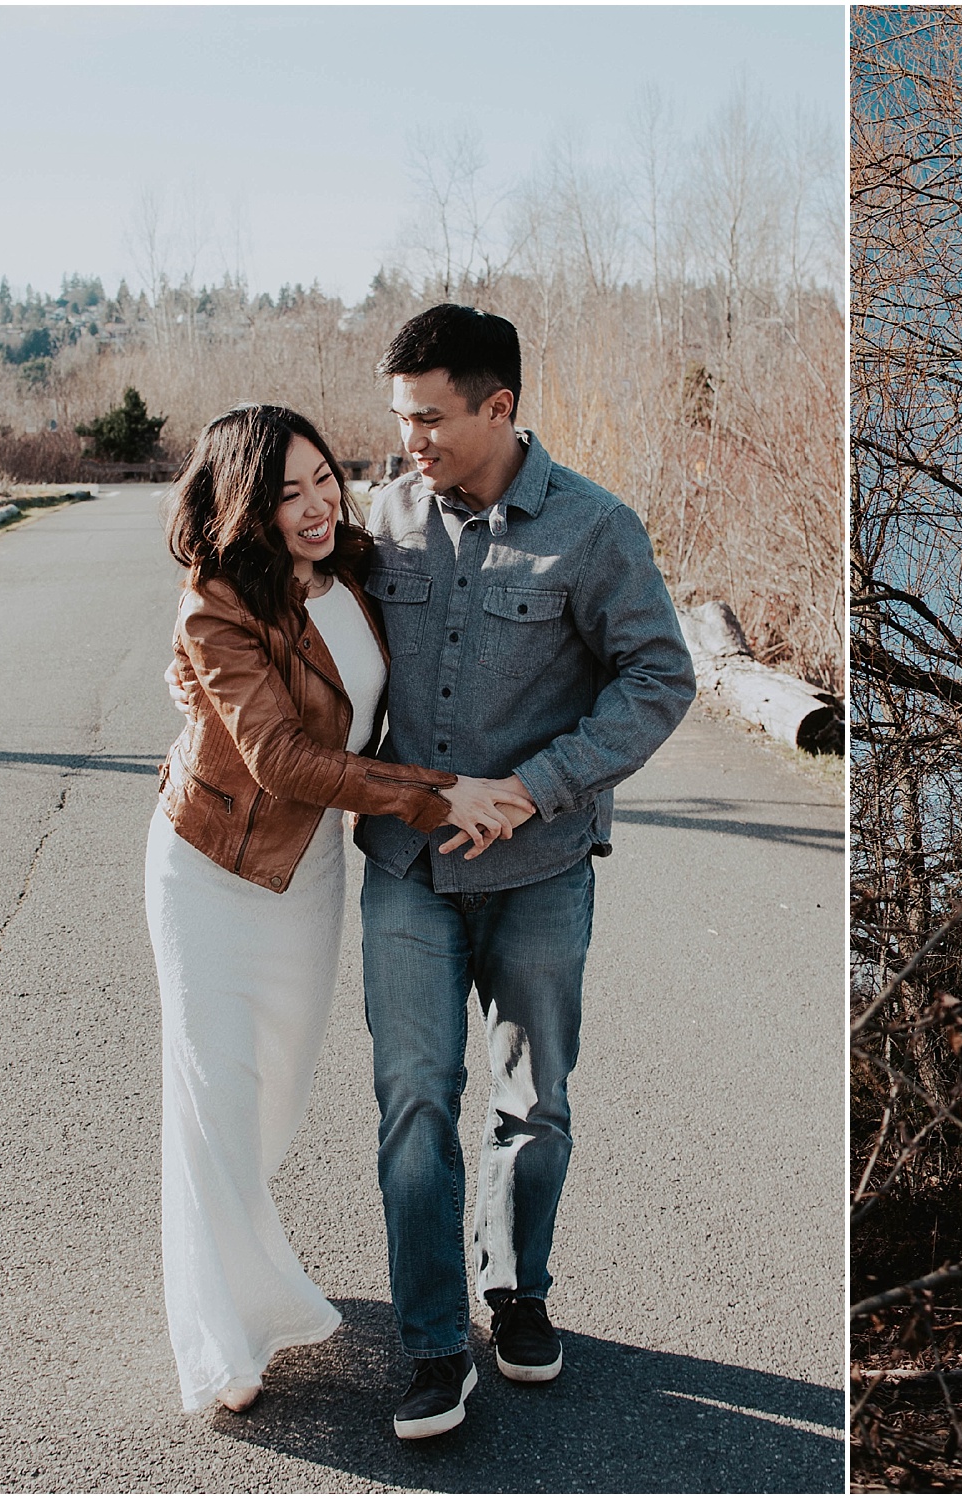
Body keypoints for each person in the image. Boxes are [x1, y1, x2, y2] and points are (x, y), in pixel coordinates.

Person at [147, 404, 527, 1415]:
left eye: (323, 479)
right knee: (215, 1090)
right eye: (286, 493)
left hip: (307, 870)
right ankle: (219, 1332)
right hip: (213, 867)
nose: (316, 505)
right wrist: (437, 791)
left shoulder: (356, 561)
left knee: (273, 1088)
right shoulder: (218, 605)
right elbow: (280, 757)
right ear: (243, 504)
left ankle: (239, 1253)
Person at [357, 304, 694, 1437]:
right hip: (406, 863)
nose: (411, 440)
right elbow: (303, 636)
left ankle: (517, 1289)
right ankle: (431, 1344)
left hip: (541, 865)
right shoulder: (378, 520)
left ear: (499, 406)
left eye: (430, 418)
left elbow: (656, 678)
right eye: (401, 418)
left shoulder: (597, 530)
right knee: (413, 1100)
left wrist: (539, 784)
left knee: (532, 1102)